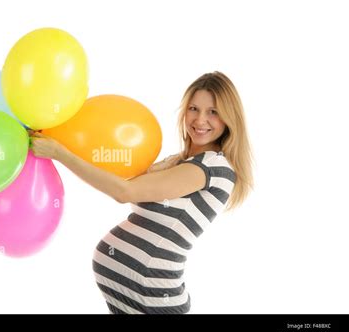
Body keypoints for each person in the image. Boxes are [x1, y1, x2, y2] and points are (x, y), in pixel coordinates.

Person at [29, 71, 253, 314]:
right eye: (193, 108)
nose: (200, 120)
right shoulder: (184, 161)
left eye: (213, 112)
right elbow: (123, 181)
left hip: (154, 298)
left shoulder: (211, 166)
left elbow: (124, 191)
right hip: (132, 299)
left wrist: (60, 153)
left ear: (230, 118)